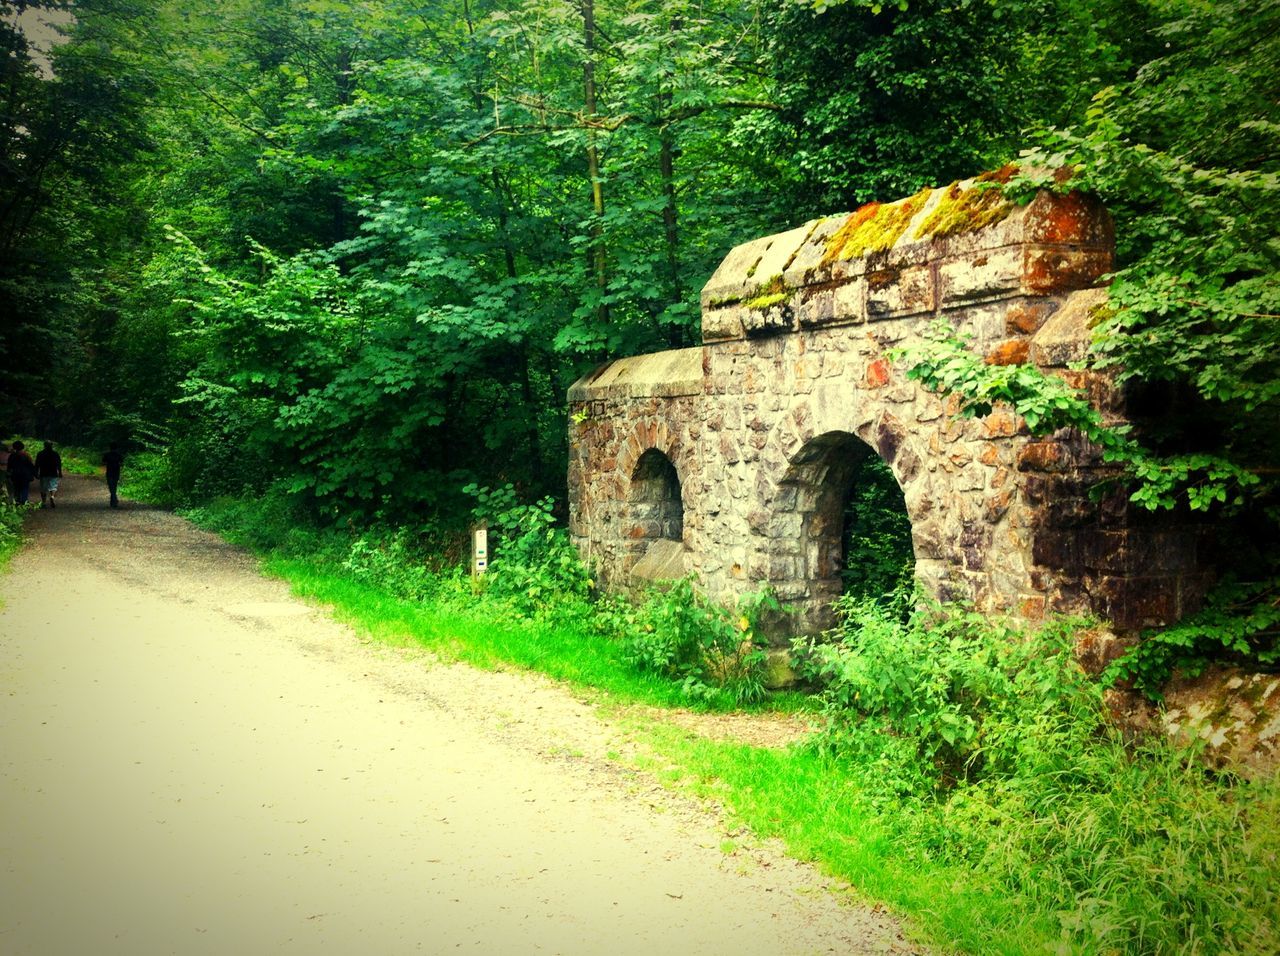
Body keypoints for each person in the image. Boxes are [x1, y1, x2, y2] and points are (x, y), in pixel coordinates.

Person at [34, 440, 62, 509]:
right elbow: (59, 463)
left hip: (44, 473)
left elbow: (37, 464)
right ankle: (52, 496)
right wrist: (60, 472)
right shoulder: (55, 454)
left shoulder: (40, 454)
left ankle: (43, 502)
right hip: (53, 473)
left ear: (44, 445)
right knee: (53, 487)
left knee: (43, 488)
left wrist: (36, 472)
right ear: (51, 446)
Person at [7, 440, 36, 505]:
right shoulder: (26, 455)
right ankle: (24, 501)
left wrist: (8, 474)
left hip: (15, 474)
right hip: (25, 475)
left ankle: (17, 501)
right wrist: (35, 473)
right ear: (22, 447)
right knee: (25, 488)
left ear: (14, 447)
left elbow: (9, 466)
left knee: (16, 488)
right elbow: (31, 465)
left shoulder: (12, 456)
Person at [103, 442, 124, 508]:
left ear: (110, 448)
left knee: (111, 487)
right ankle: (114, 501)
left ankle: (114, 501)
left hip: (109, 472)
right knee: (114, 486)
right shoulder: (118, 455)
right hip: (116, 472)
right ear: (116, 448)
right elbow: (122, 462)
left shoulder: (107, 454)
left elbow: (103, 461)